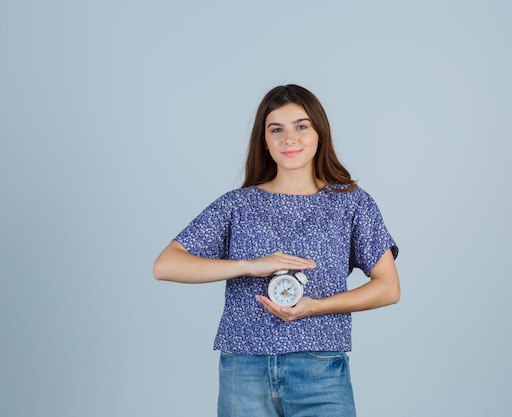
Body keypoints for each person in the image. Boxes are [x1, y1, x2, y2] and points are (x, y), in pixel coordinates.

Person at [153, 84, 400, 417]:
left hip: (320, 367)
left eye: (301, 126)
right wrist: (248, 266)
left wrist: (315, 308)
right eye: (276, 129)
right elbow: (165, 265)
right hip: (244, 368)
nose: (290, 138)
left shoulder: (351, 203)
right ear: (264, 140)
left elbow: (389, 288)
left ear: (319, 133)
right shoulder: (237, 205)